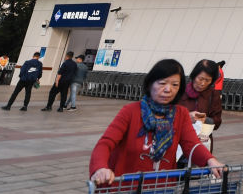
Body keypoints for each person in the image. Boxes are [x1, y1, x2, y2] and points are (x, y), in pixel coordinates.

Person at [90, 58, 224, 181]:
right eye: (162, 83)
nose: (168, 89)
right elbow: (106, 143)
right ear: (150, 84)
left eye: (175, 85)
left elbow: (192, 144)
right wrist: (100, 167)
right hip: (127, 187)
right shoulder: (130, 111)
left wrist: (210, 160)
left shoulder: (180, 114)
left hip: (161, 189)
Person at [179, 59, 223, 151]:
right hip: (180, 143)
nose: (203, 83)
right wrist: (187, 117)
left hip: (202, 143)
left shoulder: (213, 95)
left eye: (207, 80)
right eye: (200, 79)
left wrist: (205, 119)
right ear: (194, 75)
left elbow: (217, 121)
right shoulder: (180, 92)